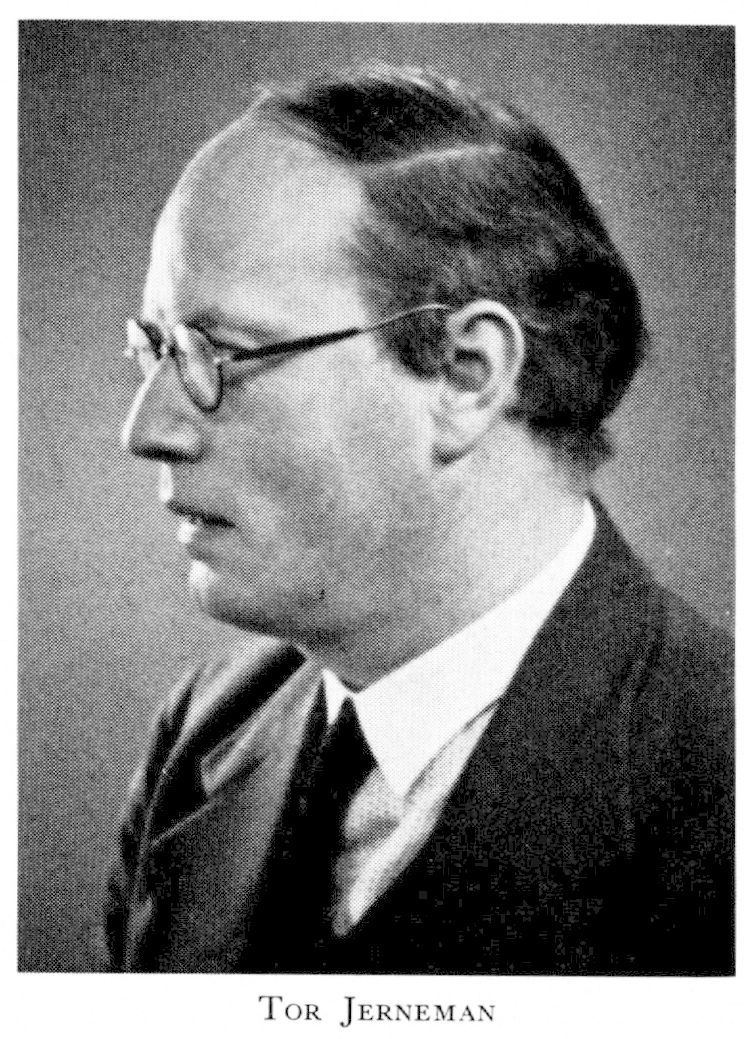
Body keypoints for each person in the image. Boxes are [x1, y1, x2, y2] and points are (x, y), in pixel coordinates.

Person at [105, 67, 733, 974]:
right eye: (159, 348)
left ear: (467, 376)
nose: (147, 429)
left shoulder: (717, 780)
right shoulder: (204, 732)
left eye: (223, 355)